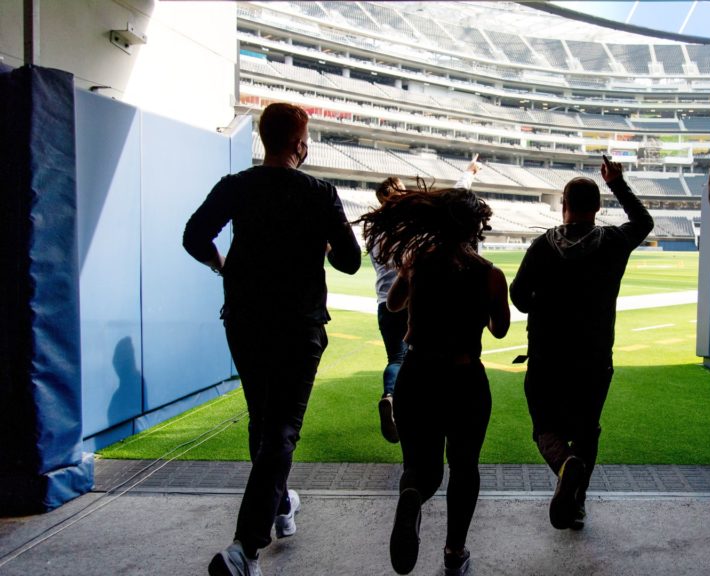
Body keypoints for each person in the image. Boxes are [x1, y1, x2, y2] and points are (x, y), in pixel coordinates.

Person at [183, 102, 362, 576]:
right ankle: (246, 548)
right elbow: (349, 261)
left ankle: (281, 506)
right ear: (300, 144)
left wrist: (223, 266)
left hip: (244, 320)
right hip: (298, 324)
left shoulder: (236, 186)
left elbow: (194, 236)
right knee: (281, 430)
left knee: (263, 421)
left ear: (264, 139)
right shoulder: (320, 192)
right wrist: (320, 241)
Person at [360, 184, 510, 576]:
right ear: (476, 228)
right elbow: (500, 330)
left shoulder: (416, 262)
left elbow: (393, 304)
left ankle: (412, 497)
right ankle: (454, 553)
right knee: (464, 468)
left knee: (421, 468)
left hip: (417, 375)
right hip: (464, 380)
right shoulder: (490, 274)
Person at [509, 155, 654, 530]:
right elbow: (644, 222)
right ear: (598, 207)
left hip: (546, 356)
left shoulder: (543, 246)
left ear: (564, 206)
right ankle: (576, 503)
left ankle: (563, 466)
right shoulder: (613, 242)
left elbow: (520, 296)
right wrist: (617, 182)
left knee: (545, 427)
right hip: (593, 357)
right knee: (587, 430)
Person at [372, 159, 481, 444]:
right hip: (415, 299)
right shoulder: (414, 224)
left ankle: (390, 396)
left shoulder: (374, 234)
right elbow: (451, 202)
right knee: (423, 358)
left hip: (385, 303)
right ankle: (417, 414)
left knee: (396, 358)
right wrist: (467, 173)